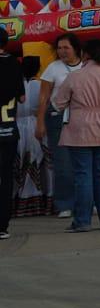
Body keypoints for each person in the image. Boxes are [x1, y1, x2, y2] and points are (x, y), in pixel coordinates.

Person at [51, 39, 100, 232]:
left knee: (82, 176)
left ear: (85, 54)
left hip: (79, 132)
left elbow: (57, 104)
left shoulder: (74, 77)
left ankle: (82, 221)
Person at [35, 32, 83, 218]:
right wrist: (40, 122)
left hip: (83, 117)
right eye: (59, 48)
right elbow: (43, 98)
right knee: (63, 163)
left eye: (66, 48)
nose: (62, 51)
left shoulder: (86, 66)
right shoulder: (53, 68)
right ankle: (65, 203)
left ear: (76, 49)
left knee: (83, 161)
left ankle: (88, 201)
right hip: (57, 117)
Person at [15, 54, 48, 217]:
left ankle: (16, 201)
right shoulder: (42, 85)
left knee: (19, 163)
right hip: (37, 126)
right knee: (36, 162)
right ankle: (36, 201)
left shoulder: (15, 85)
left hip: (17, 127)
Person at [0, 30, 23, 240]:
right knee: (5, 178)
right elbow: (22, 97)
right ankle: (2, 225)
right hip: (8, 129)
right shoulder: (15, 64)